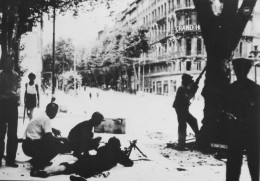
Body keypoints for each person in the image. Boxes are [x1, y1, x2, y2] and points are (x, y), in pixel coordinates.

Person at [224, 58, 260, 181]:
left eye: (237, 69)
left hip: (236, 130)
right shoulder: (256, 88)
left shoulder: (231, 88)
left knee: (234, 163)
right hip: (253, 130)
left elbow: (225, 109)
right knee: (254, 162)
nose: (236, 71)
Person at [30, 137, 134, 179]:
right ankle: (81, 178)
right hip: (99, 166)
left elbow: (96, 152)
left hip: (89, 160)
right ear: (117, 145)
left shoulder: (103, 147)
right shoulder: (118, 152)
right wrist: (122, 156)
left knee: (69, 166)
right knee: (90, 171)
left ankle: (47, 172)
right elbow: (129, 163)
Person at [22, 102, 69, 171]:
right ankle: (39, 163)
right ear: (49, 111)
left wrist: (52, 129)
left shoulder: (42, 115)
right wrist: (62, 139)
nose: (55, 114)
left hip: (27, 144)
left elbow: (41, 127)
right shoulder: (46, 118)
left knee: (50, 142)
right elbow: (49, 138)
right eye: (54, 112)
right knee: (58, 145)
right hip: (31, 146)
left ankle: (36, 160)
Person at [0, 55, 20, 167]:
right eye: (8, 62)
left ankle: (10, 160)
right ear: (3, 63)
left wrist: (14, 96)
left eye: (12, 62)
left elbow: (16, 90)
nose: (11, 64)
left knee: (13, 134)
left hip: (12, 106)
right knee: (0, 133)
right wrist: (6, 95)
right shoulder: (0, 75)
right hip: (2, 105)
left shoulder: (16, 75)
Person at [172, 73, 199, 150]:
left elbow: (189, 93)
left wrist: (195, 87)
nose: (191, 82)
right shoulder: (182, 88)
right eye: (190, 80)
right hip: (180, 109)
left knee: (193, 121)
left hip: (183, 109)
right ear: (186, 81)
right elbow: (188, 97)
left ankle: (198, 139)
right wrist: (194, 89)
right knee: (182, 126)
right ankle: (181, 145)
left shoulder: (184, 88)